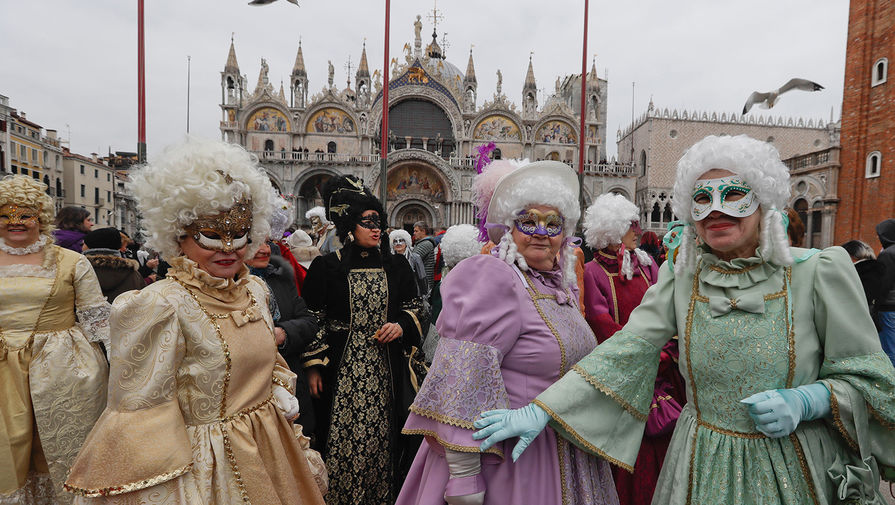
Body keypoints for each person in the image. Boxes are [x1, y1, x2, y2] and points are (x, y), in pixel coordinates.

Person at [474, 135, 895, 504]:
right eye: (702, 198)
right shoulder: (683, 275)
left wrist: (809, 401)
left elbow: (871, 382)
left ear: (763, 201)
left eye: (733, 195)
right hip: (701, 465)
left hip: (793, 466)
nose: (715, 211)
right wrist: (545, 409)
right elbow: (627, 347)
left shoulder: (818, 272)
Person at [64, 138, 325, 504]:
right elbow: (140, 411)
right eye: (212, 235)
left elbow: (269, 361)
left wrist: (278, 389)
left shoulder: (255, 291)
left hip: (269, 447)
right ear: (178, 236)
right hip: (204, 470)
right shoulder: (160, 305)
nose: (229, 247)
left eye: (239, 233)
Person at [396, 160, 619, 505]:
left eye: (552, 223)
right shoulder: (496, 278)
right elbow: (461, 378)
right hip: (509, 462)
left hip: (564, 450)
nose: (541, 232)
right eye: (528, 221)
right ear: (509, 228)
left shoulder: (558, 286)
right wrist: (464, 476)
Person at [301, 175, 428, 505]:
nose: (376, 229)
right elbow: (314, 316)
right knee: (340, 438)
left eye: (379, 222)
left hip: (387, 369)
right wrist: (313, 366)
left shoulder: (397, 266)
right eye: (367, 222)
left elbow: (416, 307)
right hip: (339, 368)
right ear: (348, 226)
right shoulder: (327, 266)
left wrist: (401, 325)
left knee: (382, 439)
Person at [0, 175, 109, 504]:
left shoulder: (71, 261)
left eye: (24, 214)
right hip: (4, 373)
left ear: (41, 217)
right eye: (5, 215)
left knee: (62, 451)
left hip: (63, 371)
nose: (14, 222)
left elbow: (98, 320)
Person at [580, 193, 683, 505]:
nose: (639, 229)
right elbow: (602, 325)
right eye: (631, 225)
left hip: (662, 373)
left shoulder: (648, 265)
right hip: (627, 376)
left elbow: (666, 313)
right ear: (611, 231)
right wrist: (645, 356)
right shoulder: (593, 271)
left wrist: (664, 353)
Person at [245, 237, 319, 445]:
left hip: (289, 385)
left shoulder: (281, 279)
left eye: (267, 243)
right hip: (250, 391)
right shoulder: (228, 288)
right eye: (255, 243)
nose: (264, 249)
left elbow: (309, 321)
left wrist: (284, 333)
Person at [82, 227, 145, 303]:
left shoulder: (80, 272)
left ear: (89, 248)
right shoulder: (134, 275)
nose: (82, 247)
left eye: (84, 244)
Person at [841, 239, 887, 331]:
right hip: (872, 320)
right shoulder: (875, 270)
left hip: (856, 323)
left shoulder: (857, 272)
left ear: (852, 256)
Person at [391, 228, 428, 296]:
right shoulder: (390, 259)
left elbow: (422, 277)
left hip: (413, 293)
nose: (398, 243)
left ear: (406, 243)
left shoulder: (415, 258)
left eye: (401, 240)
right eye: (395, 241)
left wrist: (424, 295)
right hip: (395, 294)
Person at [412, 221, 437, 292]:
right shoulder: (422, 243)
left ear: (423, 231)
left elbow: (412, 260)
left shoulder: (426, 244)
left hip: (424, 283)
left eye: (416, 231)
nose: (414, 233)